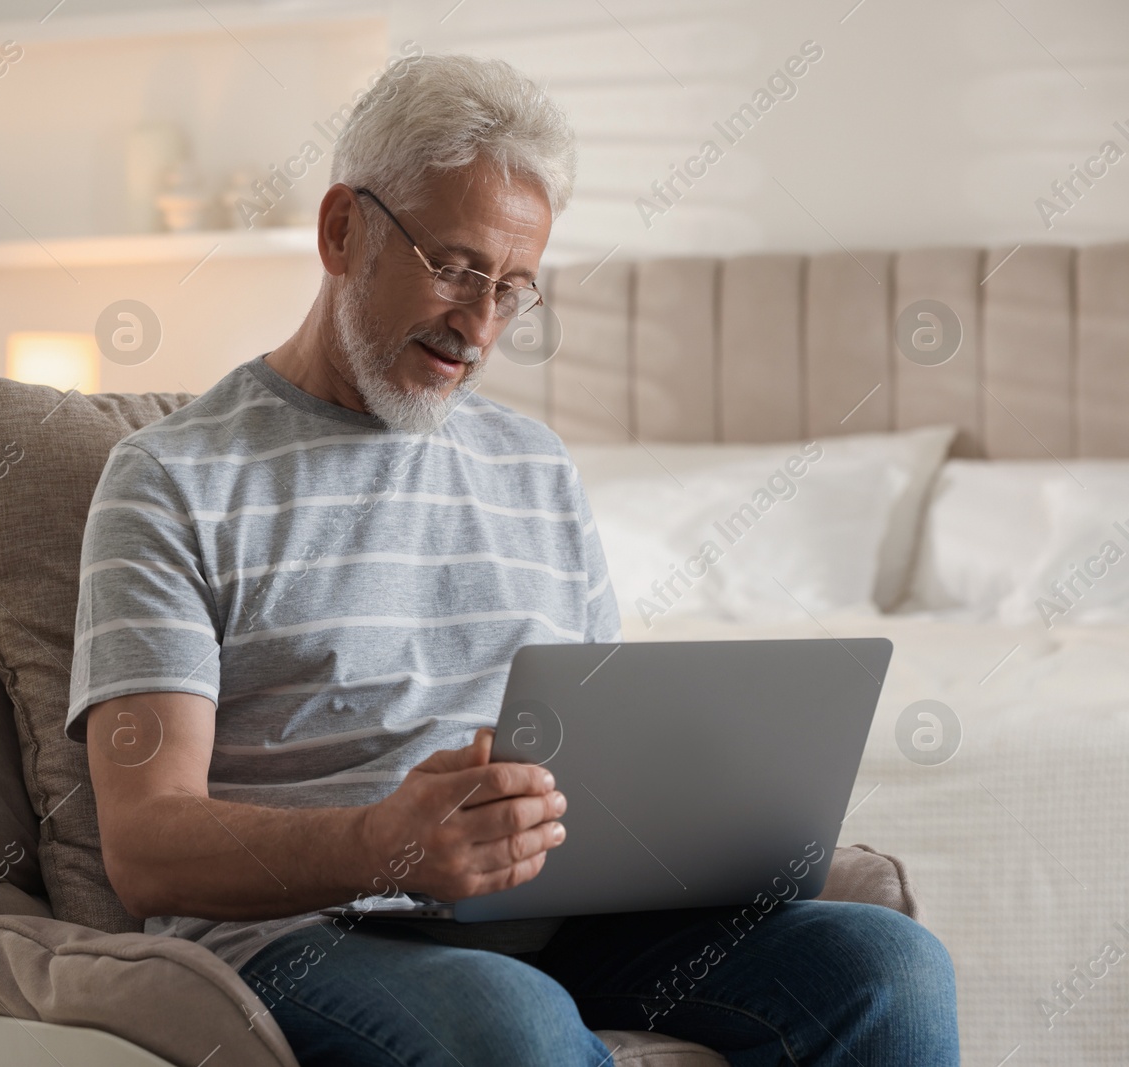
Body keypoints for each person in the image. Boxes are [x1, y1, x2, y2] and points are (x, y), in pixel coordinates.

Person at [65, 51, 959, 1066]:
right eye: (453, 267)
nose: (480, 325)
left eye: (514, 288)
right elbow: (144, 844)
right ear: (340, 230)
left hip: (551, 925)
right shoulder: (170, 480)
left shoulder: (534, 467)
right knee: (510, 1024)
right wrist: (383, 842)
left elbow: (606, 766)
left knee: (886, 965)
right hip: (302, 938)